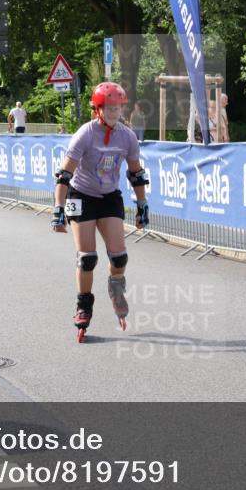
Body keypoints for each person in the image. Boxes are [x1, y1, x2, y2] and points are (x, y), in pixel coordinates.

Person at [50, 82, 149, 342]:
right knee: (87, 258)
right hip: (81, 196)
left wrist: (142, 205)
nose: (115, 113)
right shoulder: (85, 134)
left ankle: (116, 290)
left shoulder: (127, 136)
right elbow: (64, 175)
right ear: (98, 109)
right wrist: (58, 209)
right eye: (109, 108)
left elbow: (136, 174)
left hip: (108, 197)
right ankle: (83, 305)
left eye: (118, 108)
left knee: (119, 258)